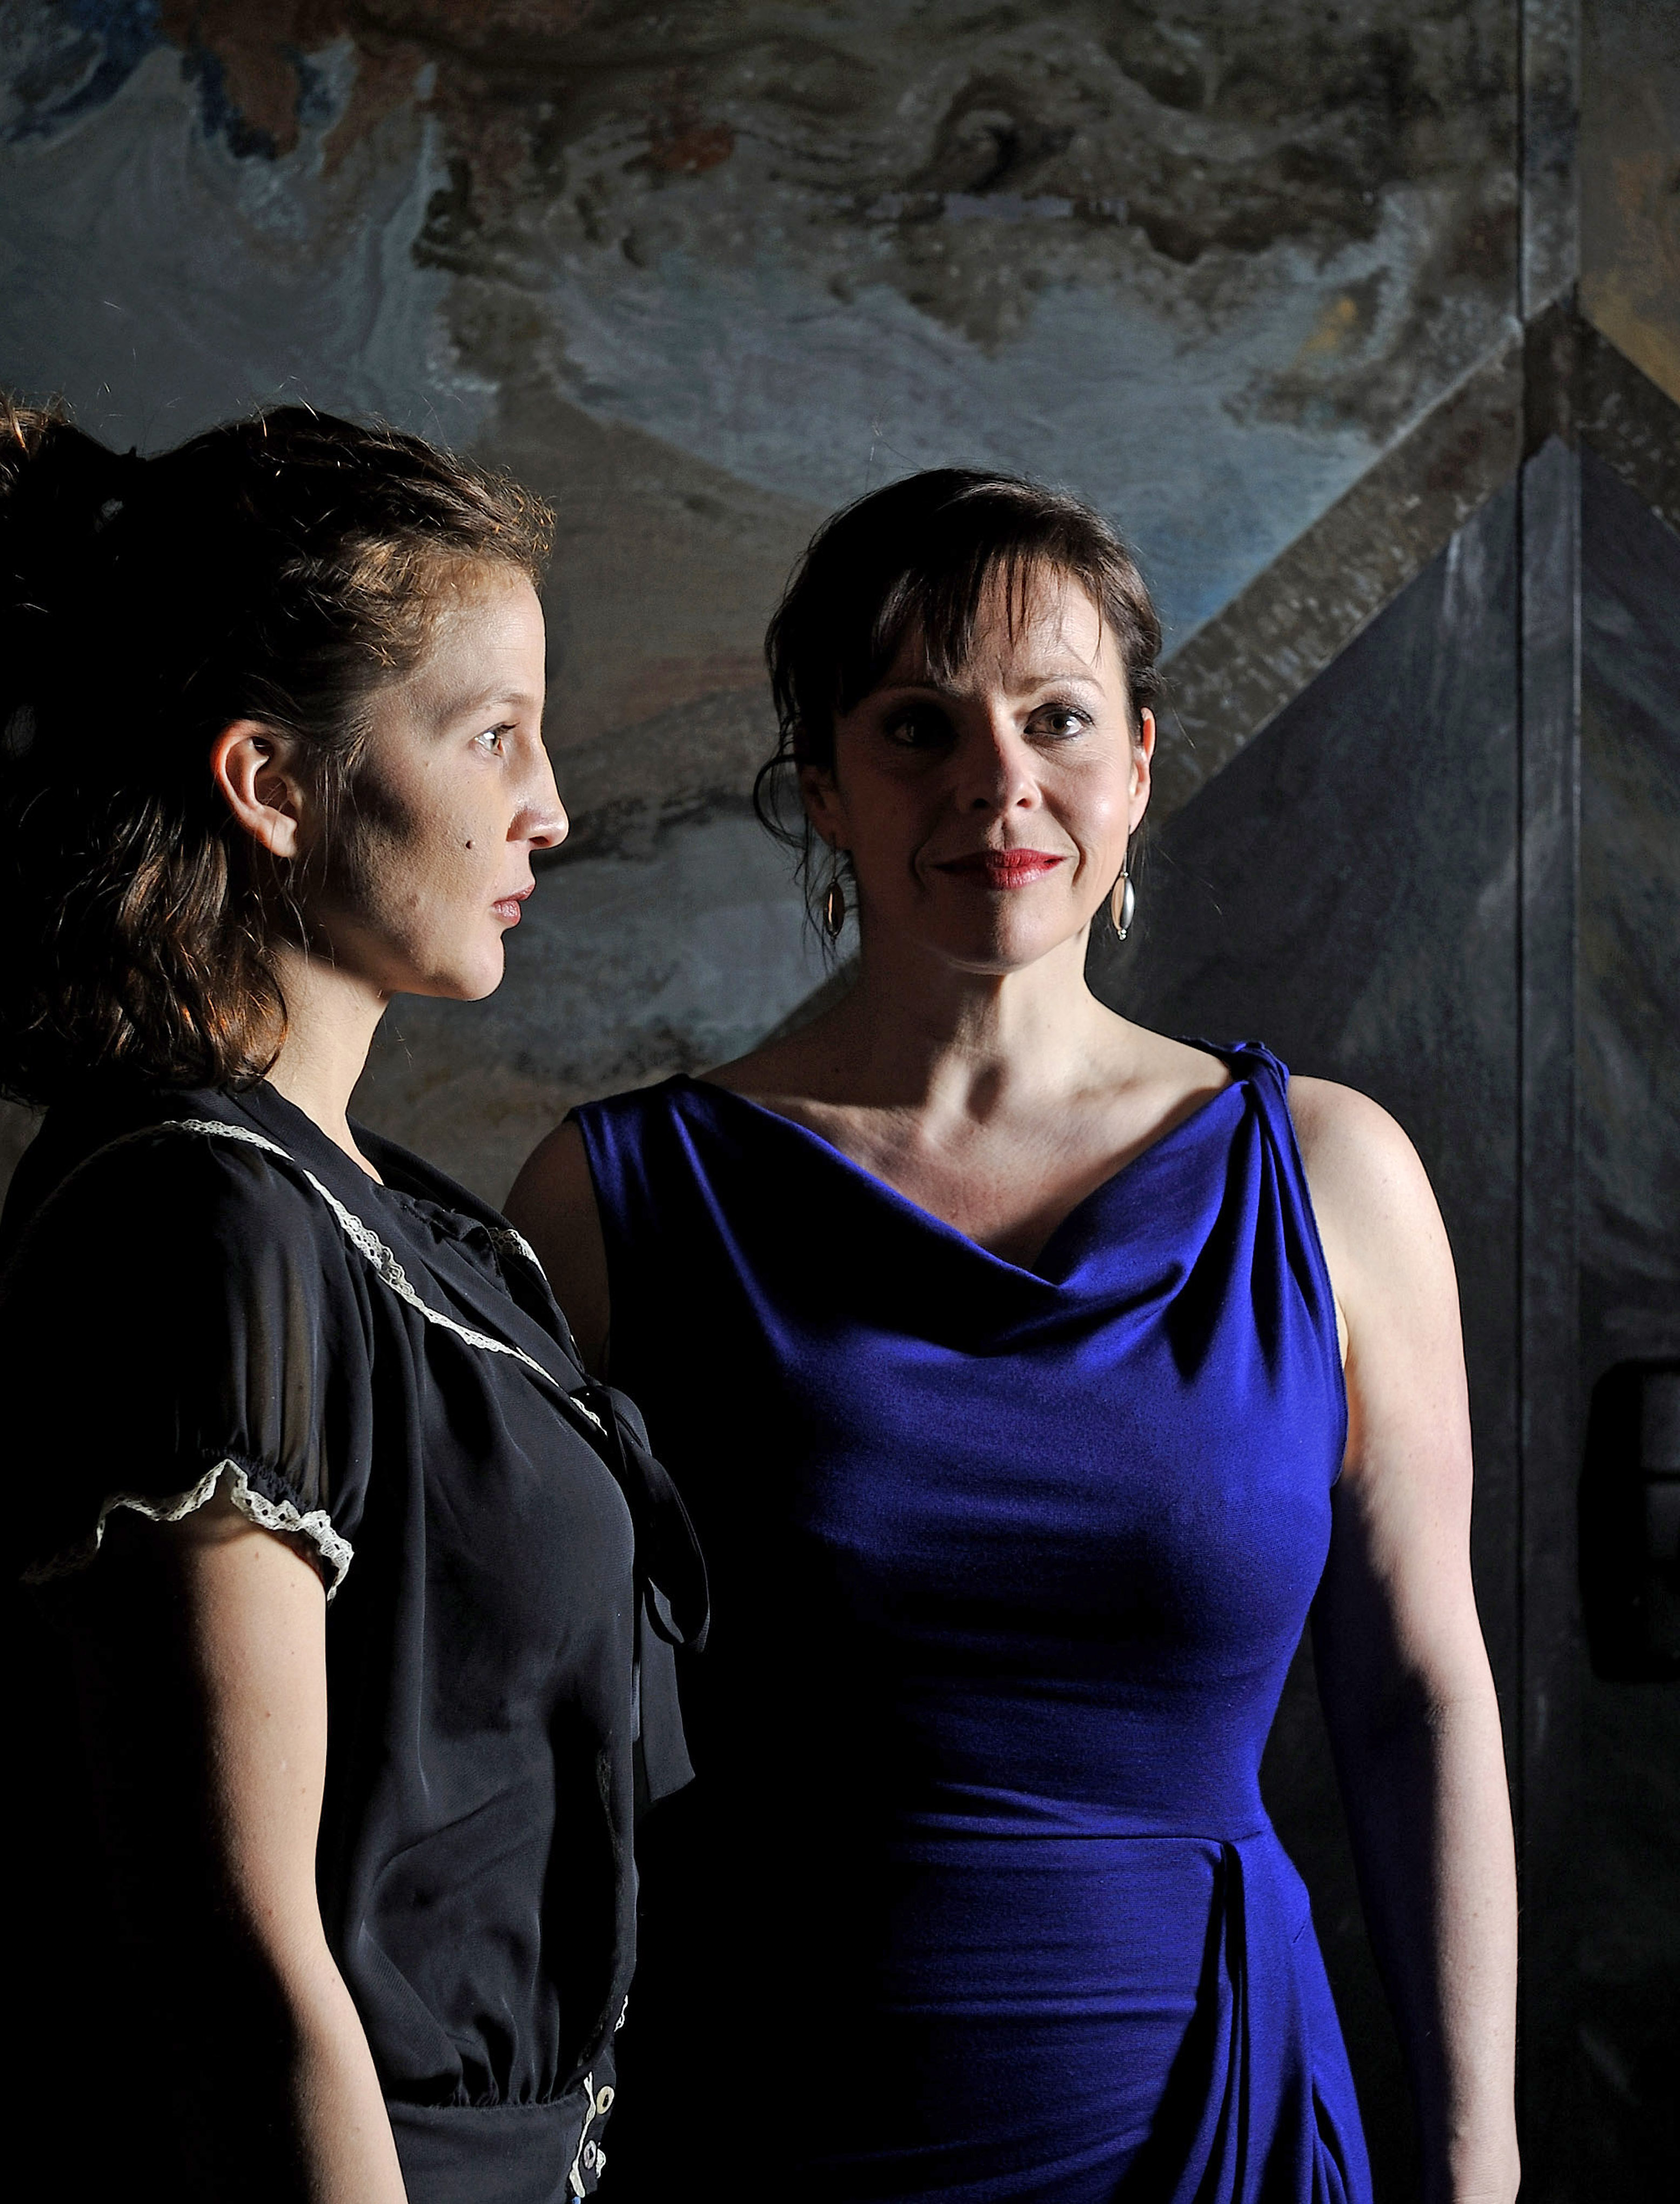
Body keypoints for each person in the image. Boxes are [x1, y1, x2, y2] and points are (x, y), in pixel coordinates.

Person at [505, 470, 1520, 2204]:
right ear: (822, 787)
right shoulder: (618, 1201)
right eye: (920, 727)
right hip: (776, 2113)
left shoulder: (1330, 1178)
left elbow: (1419, 1695)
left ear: (1139, 761)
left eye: (1056, 718)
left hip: (1218, 2117)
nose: (997, 782)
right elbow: (504, 1728)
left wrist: (1476, 2159)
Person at [0, 397, 704, 2204]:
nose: (551, 808)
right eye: (493, 737)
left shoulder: (382, 1213)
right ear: (272, 783)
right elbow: (235, 1969)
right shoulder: (205, 1225)